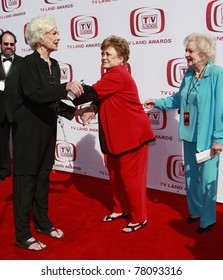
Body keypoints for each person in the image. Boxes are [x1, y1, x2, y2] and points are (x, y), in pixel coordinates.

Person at [12, 14, 97, 251]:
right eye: (54, 33)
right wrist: (64, 87)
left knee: (42, 179)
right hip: (28, 134)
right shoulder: (27, 64)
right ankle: (22, 235)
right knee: (25, 183)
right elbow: (36, 95)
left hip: (48, 131)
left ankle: (43, 223)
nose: (59, 37)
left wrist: (75, 113)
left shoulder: (55, 65)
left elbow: (51, 101)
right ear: (40, 37)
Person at [75, 35, 155, 233]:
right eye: (102, 53)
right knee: (115, 175)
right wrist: (93, 108)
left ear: (121, 58)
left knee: (130, 180)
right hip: (114, 138)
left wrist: (66, 92)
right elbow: (101, 96)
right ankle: (120, 209)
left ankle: (139, 218)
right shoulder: (110, 75)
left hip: (131, 137)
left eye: (108, 53)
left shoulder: (118, 74)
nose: (103, 57)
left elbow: (91, 92)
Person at [144, 33, 223, 234]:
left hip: (208, 138)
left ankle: (208, 219)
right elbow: (178, 99)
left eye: (190, 51)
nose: (186, 54)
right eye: (186, 50)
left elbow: (221, 108)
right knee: (191, 178)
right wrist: (158, 102)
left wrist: (218, 138)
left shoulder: (216, 74)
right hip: (189, 135)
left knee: (207, 181)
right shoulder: (188, 74)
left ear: (203, 52)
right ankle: (196, 211)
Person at [0, 31, 23, 182]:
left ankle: (21, 171)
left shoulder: (23, 62)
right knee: (1, 142)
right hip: (0, 109)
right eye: (5, 44)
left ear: (15, 45)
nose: (8, 47)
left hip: (19, 109)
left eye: (11, 44)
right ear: (1, 45)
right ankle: (4, 169)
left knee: (20, 142)